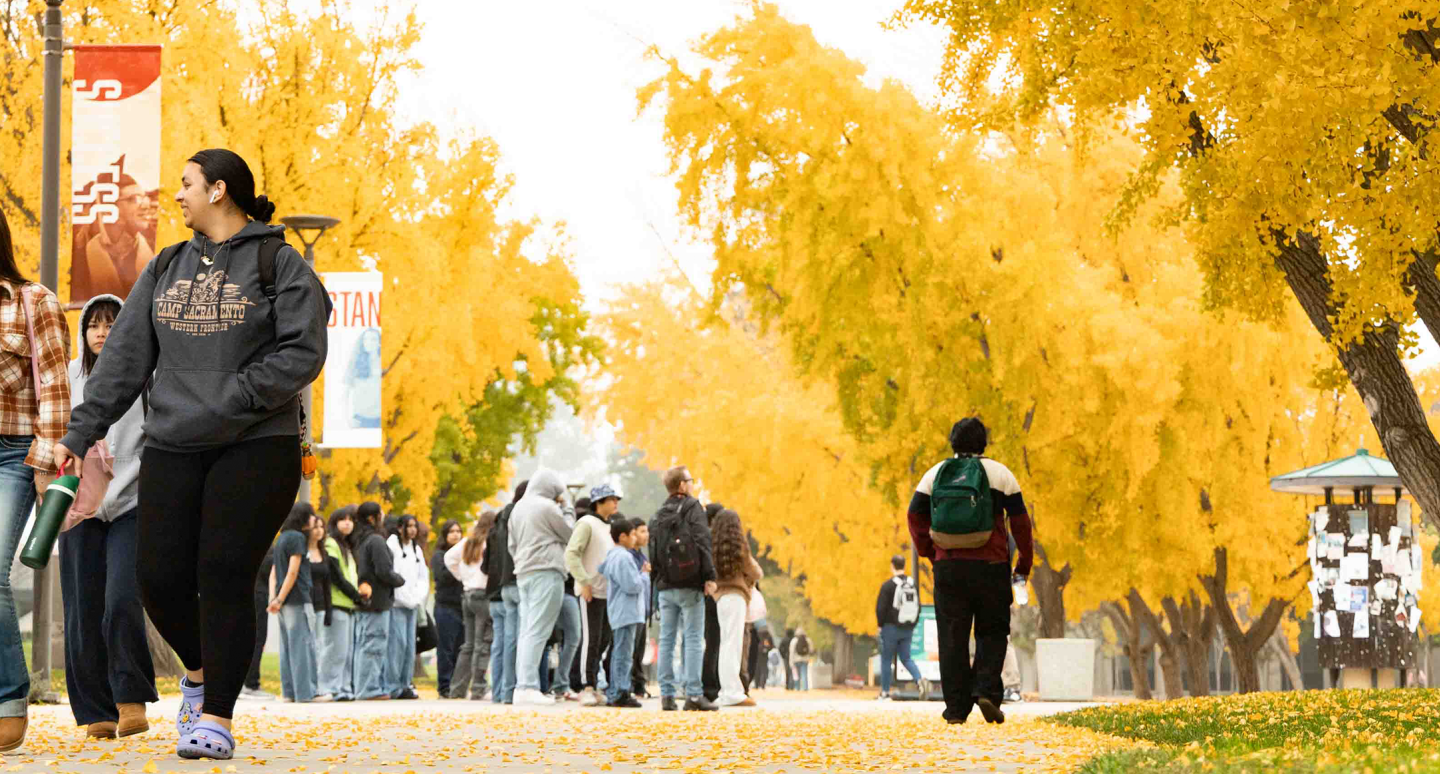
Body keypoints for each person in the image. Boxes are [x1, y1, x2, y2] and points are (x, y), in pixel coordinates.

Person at [57, 148, 329, 760]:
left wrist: (236, 394)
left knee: (224, 573)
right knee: (157, 580)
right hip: (174, 442)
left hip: (256, 443)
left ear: (219, 190)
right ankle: (204, 673)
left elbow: (303, 351)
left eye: (186, 184)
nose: (176, 195)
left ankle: (218, 717)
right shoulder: (167, 266)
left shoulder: (279, 262)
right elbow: (123, 360)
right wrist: (79, 435)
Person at [59, 293, 157, 739]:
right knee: (82, 606)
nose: (101, 332)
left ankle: (130, 698)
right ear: (83, 333)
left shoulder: (145, 376)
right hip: (79, 507)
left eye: (112, 324)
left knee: (121, 598)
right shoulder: (69, 379)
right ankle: (94, 711)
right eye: (93, 325)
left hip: (132, 502)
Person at [0, 206, 71, 752]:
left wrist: (47, 467)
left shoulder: (34, 301)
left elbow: (54, 389)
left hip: (13, 452)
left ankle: (9, 699)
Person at [907, 417, 1032, 725]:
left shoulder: (935, 474)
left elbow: (914, 515)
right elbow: (1021, 524)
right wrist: (1023, 564)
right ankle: (987, 690)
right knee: (992, 632)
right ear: (983, 443)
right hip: (991, 566)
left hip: (948, 567)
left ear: (953, 443)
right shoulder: (1000, 474)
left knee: (952, 636)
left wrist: (930, 552)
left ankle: (956, 709)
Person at [650, 466, 719, 712]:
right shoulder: (692, 508)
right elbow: (702, 541)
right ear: (681, 485)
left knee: (667, 639)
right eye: (690, 480)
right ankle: (693, 694)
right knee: (692, 639)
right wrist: (709, 576)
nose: (692, 484)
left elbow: (653, 549)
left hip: (666, 586)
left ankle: (666, 696)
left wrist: (658, 581)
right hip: (690, 584)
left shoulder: (659, 514)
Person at [508, 470, 575, 706]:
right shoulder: (547, 508)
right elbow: (570, 533)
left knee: (527, 630)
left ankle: (522, 686)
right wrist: (567, 507)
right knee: (538, 631)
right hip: (547, 572)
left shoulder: (517, 509)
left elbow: (512, 545)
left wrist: (522, 562)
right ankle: (528, 686)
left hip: (524, 574)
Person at [565, 484, 621, 705]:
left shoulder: (611, 526)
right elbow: (572, 553)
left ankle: (595, 685)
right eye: (611, 499)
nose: (616, 503)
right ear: (599, 502)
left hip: (609, 594)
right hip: (591, 592)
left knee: (605, 639)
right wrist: (584, 581)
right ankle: (586, 686)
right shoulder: (586, 523)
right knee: (591, 639)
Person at [352, 502, 405, 701]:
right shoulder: (375, 541)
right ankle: (369, 688)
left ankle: (365, 687)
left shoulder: (360, 540)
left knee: (366, 644)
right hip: (378, 601)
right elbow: (384, 570)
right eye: (380, 514)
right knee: (374, 645)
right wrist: (399, 580)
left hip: (367, 599)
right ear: (373, 518)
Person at [268, 505, 320, 704]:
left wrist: (275, 598)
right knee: (302, 646)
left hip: (283, 602)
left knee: (287, 647)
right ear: (304, 518)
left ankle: (289, 692)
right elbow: (293, 571)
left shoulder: (281, 538)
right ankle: (305, 693)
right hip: (297, 599)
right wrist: (280, 599)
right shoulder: (298, 538)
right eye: (312, 516)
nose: (314, 520)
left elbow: (274, 572)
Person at [711, 509, 761, 707]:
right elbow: (754, 570)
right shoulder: (739, 546)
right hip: (737, 595)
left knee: (726, 643)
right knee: (734, 644)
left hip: (720, 597)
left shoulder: (714, 546)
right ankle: (733, 692)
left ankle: (727, 690)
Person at [78, 173, 155, 300]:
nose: (146, 206)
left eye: (145, 197)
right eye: (134, 199)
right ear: (110, 208)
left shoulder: (154, 251)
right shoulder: (82, 254)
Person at [482, 480, 526, 704]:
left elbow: (485, 565)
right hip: (514, 583)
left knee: (500, 644)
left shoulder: (495, 527)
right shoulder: (519, 522)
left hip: (495, 592)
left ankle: (498, 692)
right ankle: (510, 691)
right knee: (515, 640)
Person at [599, 518, 649, 708]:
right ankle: (621, 691)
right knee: (624, 653)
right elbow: (632, 585)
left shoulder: (612, 556)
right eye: (633, 534)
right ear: (623, 537)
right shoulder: (624, 557)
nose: (635, 538)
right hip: (627, 612)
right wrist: (643, 575)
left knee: (620, 651)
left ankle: (617, 689)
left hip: (620, 611)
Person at [446, 512, 496, 699]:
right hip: (483, 594)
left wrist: (463, 577)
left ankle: (457, 689)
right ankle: (478, 687)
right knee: (483, 643)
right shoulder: (489, 542)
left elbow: (449, 558)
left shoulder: (468, 541)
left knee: (468, 645)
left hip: (467, 594)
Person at [318, 507, 363, 702]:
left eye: (350, 519)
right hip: (337, 603)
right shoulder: (331, 543)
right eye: (342, 519)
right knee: (334, 649)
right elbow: (336, 575)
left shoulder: (347, 547)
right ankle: (327, 687)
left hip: (348, 605)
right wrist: (355, 595)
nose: (347, 523)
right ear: (334, 523)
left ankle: (343, 688)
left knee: (346, 651)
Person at [387, 515, 427, 700]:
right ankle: (393, 685)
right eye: (408, 526)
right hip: (397, 603)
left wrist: (417, 596)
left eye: (414, 526)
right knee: (398, 644)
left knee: (410, 646)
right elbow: (392, 573)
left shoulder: (416, 549)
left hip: (413, 603)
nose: (412, 530)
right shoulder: (392, 544)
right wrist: (402, 594)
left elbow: (422, 577)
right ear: (400, 527)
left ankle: (405, 684)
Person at [876, 555, 926, 701]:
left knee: (886, 659)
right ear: (904, 565)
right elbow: (918, 606)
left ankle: (885, 692)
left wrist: (880, 625)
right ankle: (919, 679)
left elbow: (881, 608)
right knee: (906, 658)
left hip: (890, 628)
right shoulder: (912, 584)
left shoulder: (888, 586)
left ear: (892, 565)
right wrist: (912, 624)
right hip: (907, 628)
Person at [432, 519, 465, 699]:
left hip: (463, 607)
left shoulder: (466, 555)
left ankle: (457, 684)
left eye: (458, 531)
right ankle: (444, 686)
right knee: (446, 648)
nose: (455, 534)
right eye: (451, 531)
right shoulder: (439, 556)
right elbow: (442, 577)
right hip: (446, 607)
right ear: (445, 535)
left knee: (461, 648)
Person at [241, 549, 276, 701]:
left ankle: (247, 683)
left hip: (253, 595)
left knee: (252, 640)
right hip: (259, 596)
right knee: (257, 639)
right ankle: (250, 684)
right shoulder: (270, 552)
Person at [701, 502, 725, 703]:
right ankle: (712, 684)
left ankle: (709, 684)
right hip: (717, 592)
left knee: (711, 640)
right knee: (716, 640)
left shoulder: (701, 536)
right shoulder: (716, 539)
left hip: (705, 594)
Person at [629, 517, 652, 698]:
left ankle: (638, 684)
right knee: (630, 649)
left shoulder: (641, 555)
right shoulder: (628, 556)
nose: (646, 535)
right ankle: (630, 684)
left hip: (643, 611)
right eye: (642, 531)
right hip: (631, 610)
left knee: (639, 650)